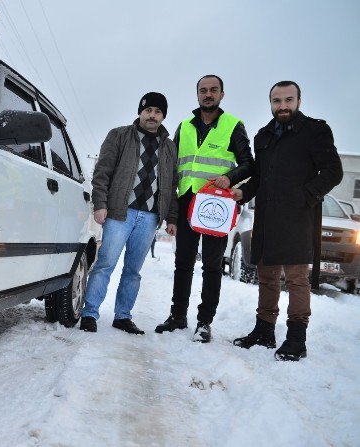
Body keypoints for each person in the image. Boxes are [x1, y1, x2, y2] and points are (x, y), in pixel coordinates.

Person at [232, 81, 342, 361]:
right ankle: (264, 330)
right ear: (270, 103)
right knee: (267, 276)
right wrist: (242, 192)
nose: (282, 106)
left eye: (288, 100)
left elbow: (333, 171)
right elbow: (259, 177)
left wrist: (304, 197)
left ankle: (296, 339)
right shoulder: (263, 136)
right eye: (277, 101)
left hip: (298, 217)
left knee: (296, 279)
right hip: (267, 217)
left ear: (299, 101)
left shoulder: (315, 131)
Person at [155, 75, 254, 342]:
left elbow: (249, 163)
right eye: (203, 90)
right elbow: (172, 168)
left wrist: (231, 178)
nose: (207, 94)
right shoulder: (184, 126)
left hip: (216, 205)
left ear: (222, 94)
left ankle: (204, 322)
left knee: (211, 265)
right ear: (197, 94)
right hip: (188, 201)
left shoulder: (233, 126)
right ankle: (177, 316)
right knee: (183, 263)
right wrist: (171, 210)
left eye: (213, 90)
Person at [80, 92, 178, 334]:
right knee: (105, 264)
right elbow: (102, 172)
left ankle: (122, 316)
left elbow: (172, 183)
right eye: (148, 110)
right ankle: (89, 313)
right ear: (140, 112)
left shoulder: (169, 146)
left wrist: (172, 217)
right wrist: (100, 203)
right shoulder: (119, 135)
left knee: (133, 270)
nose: (152, 115)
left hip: (149, 217)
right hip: (119, 214)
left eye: (157, 111)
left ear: (163, 115)